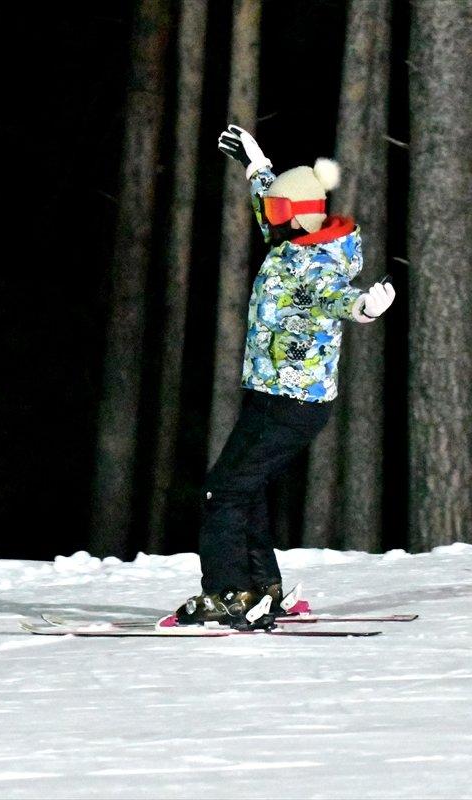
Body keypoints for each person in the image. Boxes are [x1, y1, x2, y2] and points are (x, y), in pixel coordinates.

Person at [172, 124, 396, 630]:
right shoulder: (293, 241)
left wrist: (362, 308)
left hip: (294, 402)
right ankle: (262, 589)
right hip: (269, 394)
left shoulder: (318, 266)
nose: (269, 219)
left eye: (277, 211)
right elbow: (268, 207)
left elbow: (336, 297)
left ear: (300, 215)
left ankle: (229, 593)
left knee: (223, 493)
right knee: (240, 489)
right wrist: (256, 167)